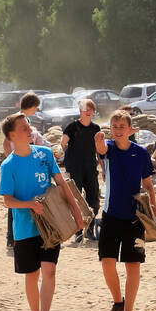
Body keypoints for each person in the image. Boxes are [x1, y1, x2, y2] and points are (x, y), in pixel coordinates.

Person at [0, 111, 84, 311]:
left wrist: (77, 213)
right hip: (25, 229)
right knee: (32, 274)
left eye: (29, 126)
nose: (30, 130)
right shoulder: (8, 166)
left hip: (52, 225)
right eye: (25, 128)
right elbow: (8, 200)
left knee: (50, 269)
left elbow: (62, 185)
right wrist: (29, 205)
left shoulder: (46, 154)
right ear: (12, 136)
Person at [95, 110, 156, 311]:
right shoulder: (109, 149)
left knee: (133, 265)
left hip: (135, 218)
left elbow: (148, 184)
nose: (118, 130)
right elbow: (101, 149)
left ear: (131, 130)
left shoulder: (140, 153)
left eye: (122, 126)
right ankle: (117, 302)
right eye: (114, 126)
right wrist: (99, 141)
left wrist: (154, 212)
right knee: (107, 262)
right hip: (111, 216)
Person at [1, 92, 47, 253]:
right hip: (18, 165)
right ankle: (11, 237)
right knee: (14, 202)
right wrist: (13, 161)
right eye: (36, 107)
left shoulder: (27, 121)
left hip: (29, 165)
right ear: (32, 105)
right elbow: (6, 143)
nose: (37, 110)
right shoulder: (16, 120)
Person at [60, 98, 101, 243]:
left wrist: (102, 166)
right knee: (76, 198)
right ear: (80, 111)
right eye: (86, 109)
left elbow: (99, 150)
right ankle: (77, 230)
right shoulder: (72, 127)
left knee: (94, 199)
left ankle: (89, 229)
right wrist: (63, 156)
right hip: (75, 168)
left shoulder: (96, 129)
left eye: (91, 110)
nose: (89, 112)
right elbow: (62, 144)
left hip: (90, 167)